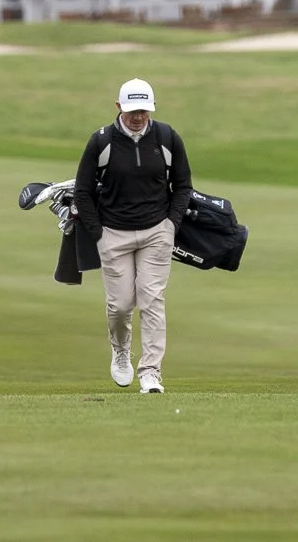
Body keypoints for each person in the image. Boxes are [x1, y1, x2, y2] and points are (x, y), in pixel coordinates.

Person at [73, 77, 191, 395]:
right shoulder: (101, 142)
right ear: (118, 107)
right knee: (121, 306)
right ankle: (121, 350)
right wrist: (99, 235)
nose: (138, 117)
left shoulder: (167, 137)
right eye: (132, 111)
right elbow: (82, 192)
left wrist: (170, 226)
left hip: (156, 233)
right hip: (114, 234)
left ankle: (151, 372)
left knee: (152, 301)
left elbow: (183, 186)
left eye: (143, 111)